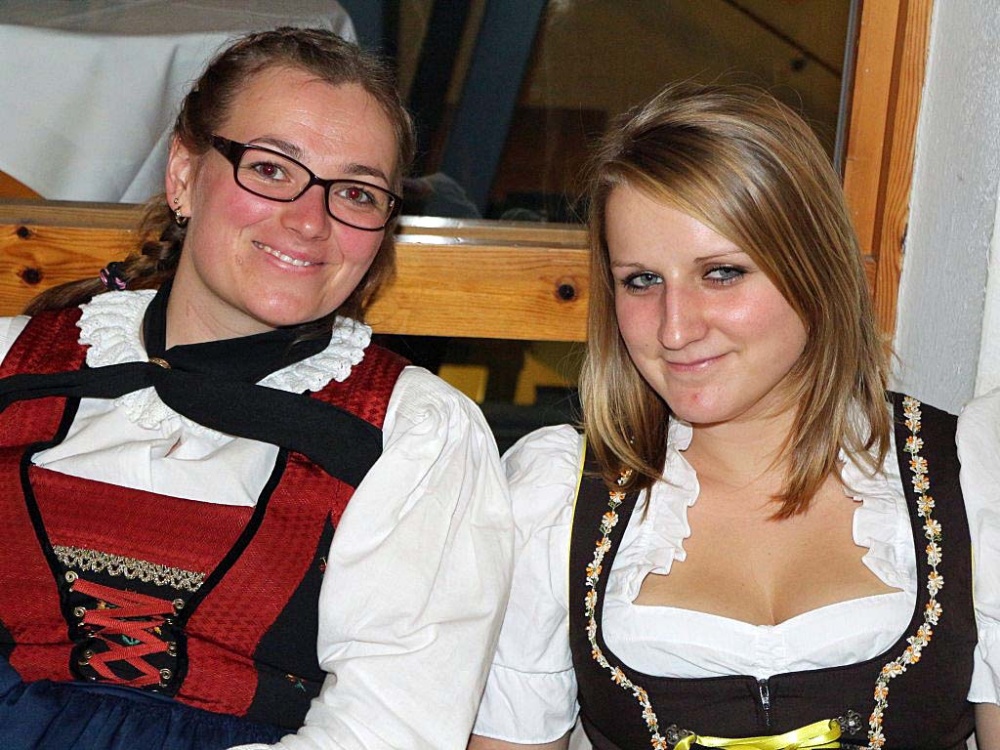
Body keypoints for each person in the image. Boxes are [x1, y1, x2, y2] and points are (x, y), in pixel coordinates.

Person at [0, 27, 512, 750]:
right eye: (271, 169)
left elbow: (386, 728)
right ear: (184, 174)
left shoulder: (412, 432)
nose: (309, 221)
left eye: (356, 193)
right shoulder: (14, 362)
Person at [469, 82, 1000, 750]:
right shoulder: (558, 500)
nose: (675, 329)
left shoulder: (971, 476)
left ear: (814, 268)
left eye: (721, 273)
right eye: (642, 280)